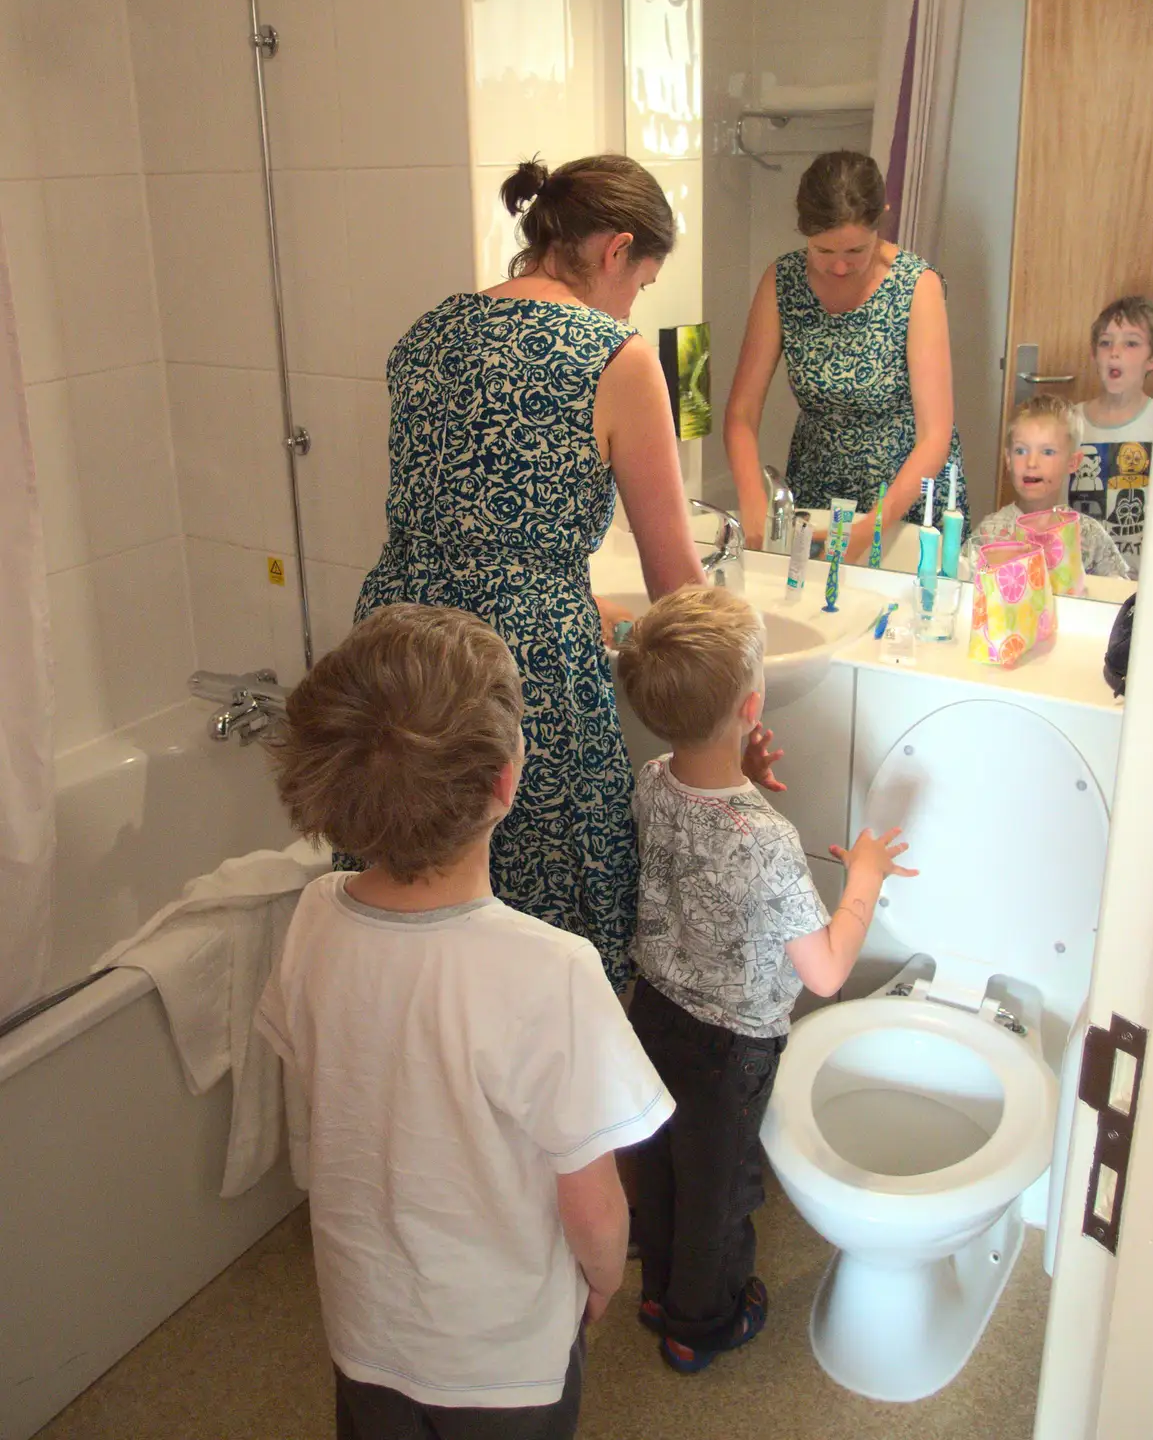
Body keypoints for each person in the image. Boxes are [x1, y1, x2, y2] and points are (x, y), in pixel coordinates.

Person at [256, 603, 675, 1440]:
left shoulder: (311, 917)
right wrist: (601, 1281)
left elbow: (331, 1082)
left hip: (365, 1323)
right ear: (504, 783)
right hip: (503, 1360)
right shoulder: (551, 971)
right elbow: (593, 1207)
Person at [341, 155, 707, 990]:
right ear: (615, 250)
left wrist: (584, 604)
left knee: (411, 897)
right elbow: (679, 584)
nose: (633, 304)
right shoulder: (614, 357)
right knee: (540, 920)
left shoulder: (426, 333)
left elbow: (469, 524)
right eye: (642, 282)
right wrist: (736, 706)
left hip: (395, 653)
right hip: (519, 664)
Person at [615, 585, 915, 1374]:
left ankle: (657, 1293)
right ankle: (698, 1324)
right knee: (721, 1188)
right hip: (730, 1045)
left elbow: (693, 827)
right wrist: (868, 877)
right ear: (753, 706)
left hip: (652, 1015)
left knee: (666, 1159)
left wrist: (736, 768)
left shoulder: (650, 779)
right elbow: (827, 968)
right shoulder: (771, 843)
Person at [725, 148, 968, 563]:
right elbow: (742, 414)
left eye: (856, 251)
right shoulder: (782, 281)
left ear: (880, 222)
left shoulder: (916, 285)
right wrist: (751, 500)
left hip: (902, 497)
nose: (839, 267)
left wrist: (871, 527)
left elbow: (934, 436)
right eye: (823, 251)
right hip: (818, 490)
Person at [968, 396, 1130, 579]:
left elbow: (1121, 596)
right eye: (1021, 451)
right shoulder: (990, 532)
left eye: (1047, 452)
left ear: (1073, 462)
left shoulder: (1089, 536)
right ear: (1008, 459)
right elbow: (969, 581)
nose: (1031, 462)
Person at [1068, 294, 1153, 575]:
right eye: (1106, 343)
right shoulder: (1070, 422)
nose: (1115, 352)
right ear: (1093, 354)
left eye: (1131, 343)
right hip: (1081, 576)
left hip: (1144, 582)